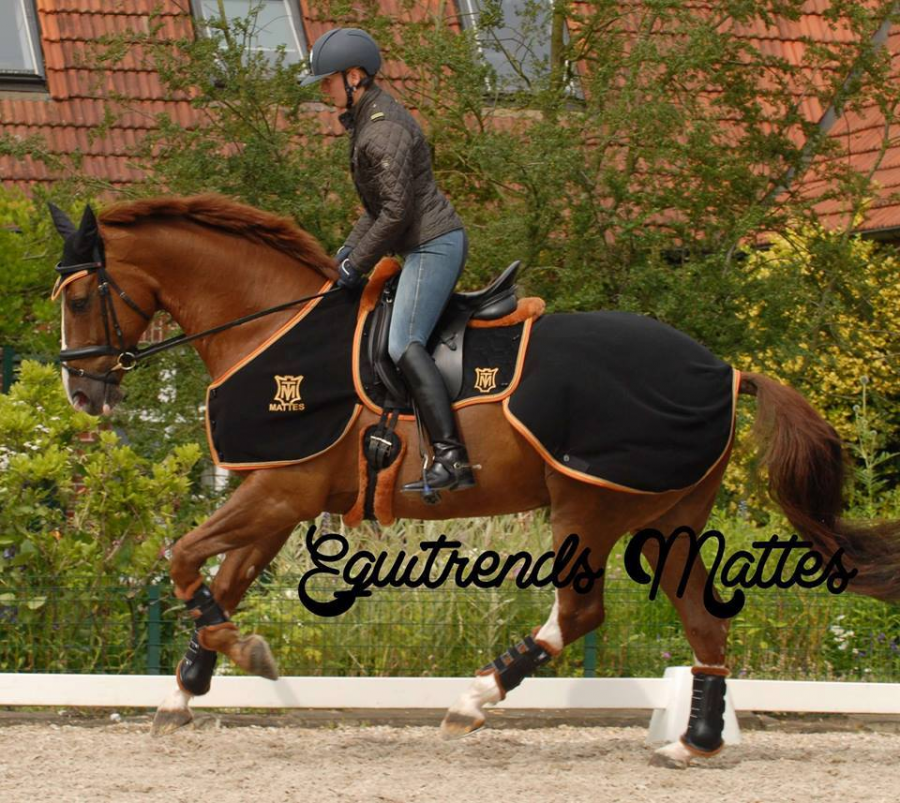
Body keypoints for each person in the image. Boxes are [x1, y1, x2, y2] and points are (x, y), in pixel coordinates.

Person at [300, 28, 476, 493]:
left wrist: (356, 264)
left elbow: (395, 212)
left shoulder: (380, 131)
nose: (323, 89)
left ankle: (451, 458)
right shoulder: (369, 120)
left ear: (354, 76)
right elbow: (378, 209)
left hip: (434, 244)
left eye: (328, 80)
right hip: (418, 242)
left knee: (403, 343)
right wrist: (343, 256)